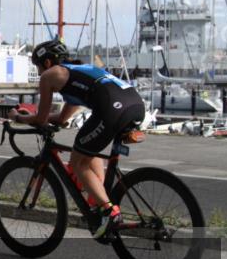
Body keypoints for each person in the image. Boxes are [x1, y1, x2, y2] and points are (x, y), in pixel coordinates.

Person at [9, 38, 145, 240]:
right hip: (135, 105)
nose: (39, 73)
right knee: (88, 151)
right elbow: (62, 118)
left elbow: (40, 118)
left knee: (77, 162)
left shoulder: (50, 75)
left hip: (112, 110)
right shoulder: (78, 71)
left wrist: (18, 117)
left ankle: (110, 212)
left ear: (46, 63)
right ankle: (98, 202)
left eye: (37, 67)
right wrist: (44, 119)